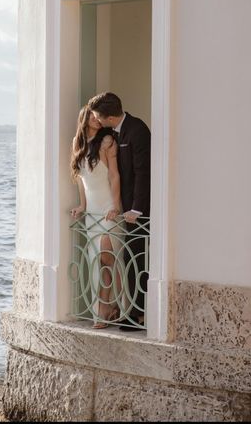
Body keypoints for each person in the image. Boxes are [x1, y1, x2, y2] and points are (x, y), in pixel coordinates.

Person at [88, 92, 150, 331]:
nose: (95, 120)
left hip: (138, 211)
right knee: (128, 259)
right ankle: (133, 310)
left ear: (109, 116)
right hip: (124, 210)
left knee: (138, 258)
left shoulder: (137, 130)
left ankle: (140, 315)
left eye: (97, 116)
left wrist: (137, 208)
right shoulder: (114, 133)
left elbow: (143, 172)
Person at [70, 105, 126, 329]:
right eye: (91, 115)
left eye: (97, 116)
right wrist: (82, 205)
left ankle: (119, 307)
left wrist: (115, 204)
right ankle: (105, 308)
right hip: (92, 211)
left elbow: (114, 175)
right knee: (99, 262)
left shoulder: (108, 141)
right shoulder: (77, 144)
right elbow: (81, 180)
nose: (95, 119)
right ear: (84, 117)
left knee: (108, 258)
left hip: (109, 207)